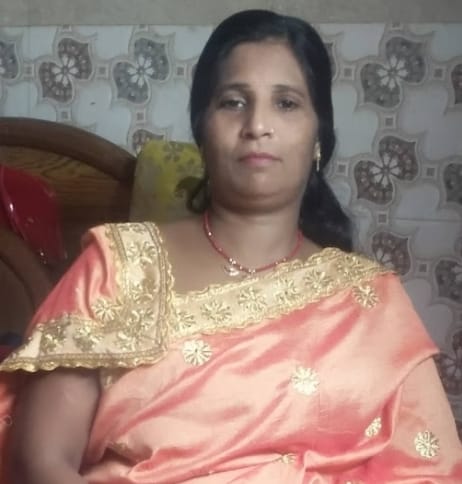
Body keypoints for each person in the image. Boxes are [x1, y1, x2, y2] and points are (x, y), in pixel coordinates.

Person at [0, 8, 461, 483]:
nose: (257, 124)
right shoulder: (119, 265)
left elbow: (425, 469)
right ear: (202, 131)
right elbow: (40, 461)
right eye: (234, 102)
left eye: (286, 103)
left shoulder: (369, 304)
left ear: (318, 138)